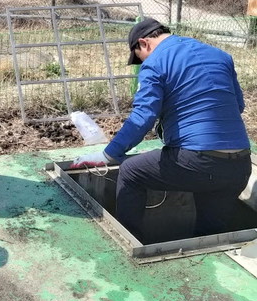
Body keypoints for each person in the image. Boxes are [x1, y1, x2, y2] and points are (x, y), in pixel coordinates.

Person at [70, 18, 251, 241]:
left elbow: (143, 116)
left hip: (197, 162)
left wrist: (107, 155)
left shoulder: (155, 62)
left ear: (144, 43)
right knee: (208, 236)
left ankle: (131, 242)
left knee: (130, 172)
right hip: (239, 166)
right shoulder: (220, 55)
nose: (141, 64)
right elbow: (238, 106)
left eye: (138, 58)